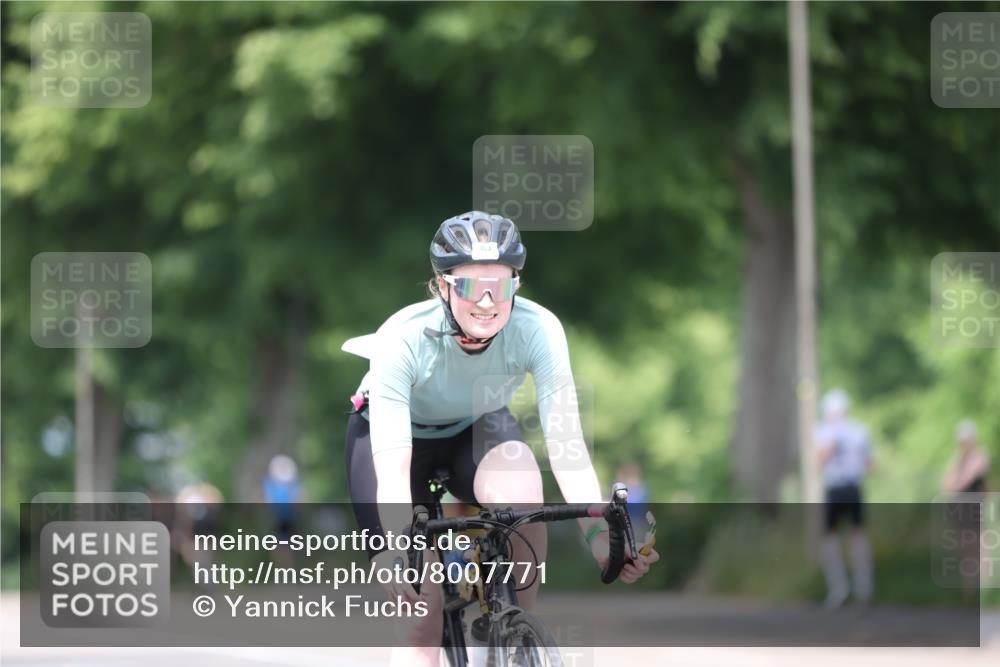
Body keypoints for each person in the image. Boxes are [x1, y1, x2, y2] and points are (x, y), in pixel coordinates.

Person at [344, 212, 659, 667]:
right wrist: (398, 550)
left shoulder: (539, 329)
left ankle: (514, 632)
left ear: (517, 284)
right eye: (471, 286)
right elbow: (392, 471)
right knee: (420, 619)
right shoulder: (402, 338)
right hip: (392, 440)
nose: (488, 302)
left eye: (502, 285)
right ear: (442, 286)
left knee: (523, 494)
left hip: (475, 423)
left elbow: (568, 448)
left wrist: (599, 537)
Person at [815, 388, 874, 610]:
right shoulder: (828, 432)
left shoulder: (856, 432)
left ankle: (862, 589)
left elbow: (869, 463)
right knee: (832, 538)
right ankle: (841, 589)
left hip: (848, 487)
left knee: (856, 536)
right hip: (838, 488)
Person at [941, 419, 991, 595]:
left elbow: (966, 480)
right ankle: (969, 585)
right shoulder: (957, 459)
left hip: (974, 504)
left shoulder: (980, 456)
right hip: (961, 505)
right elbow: (946, 483)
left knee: (981, 543)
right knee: (965, 544)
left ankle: (984, 584)